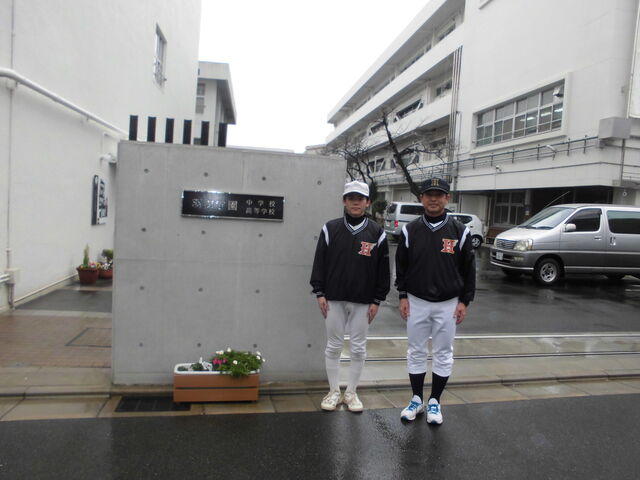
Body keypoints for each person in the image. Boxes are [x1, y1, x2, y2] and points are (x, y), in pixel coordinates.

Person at [395, 177, 475, 425]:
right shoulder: (410, 230)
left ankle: (435, 401)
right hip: (416, 300)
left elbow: (469, 269)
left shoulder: (460, 231)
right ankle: (416, 399)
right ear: (421, 198)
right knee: (416, 351)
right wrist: (402, 295)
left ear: (447, 198)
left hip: (448, 302)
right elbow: (401, 266)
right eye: (429, 194)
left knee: (443, 352)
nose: (433, 199)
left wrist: (464, 301)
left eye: (438, 194)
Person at [310, 180, 390, 412]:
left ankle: (352, 392)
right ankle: (334, 391)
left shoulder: (377, 232)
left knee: (358, 348)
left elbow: (383, 269)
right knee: (333, 346)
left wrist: (377, 299)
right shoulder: (331, 228)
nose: (356, 203)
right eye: (351, 198)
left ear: (368, 202)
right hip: (333, 298)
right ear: (344, 201)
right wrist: (319, 292)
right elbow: (320, 262)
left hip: (363, 300)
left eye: (360, 199)